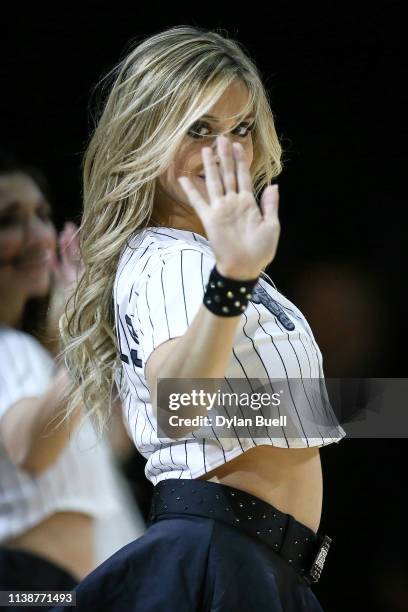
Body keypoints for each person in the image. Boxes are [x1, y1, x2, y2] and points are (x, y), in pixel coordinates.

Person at [53, 26, 347, 611]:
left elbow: (280, 409)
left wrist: (379, 406)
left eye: (240, 128)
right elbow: (180, 405)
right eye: (199, 129)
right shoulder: (175, 261)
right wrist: (233, 282)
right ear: (147, 136)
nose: (227, 151)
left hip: (253, 563)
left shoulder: (206, 258)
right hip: (219, 559)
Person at [0, 154, 144, 610]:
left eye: (42, 215)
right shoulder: (10, 351)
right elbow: (31, 449)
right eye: (8, 220)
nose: (40, 236)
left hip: (58, 593)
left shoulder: (39, 361)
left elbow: (119, 440)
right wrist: (84, 338)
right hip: (32, 591)